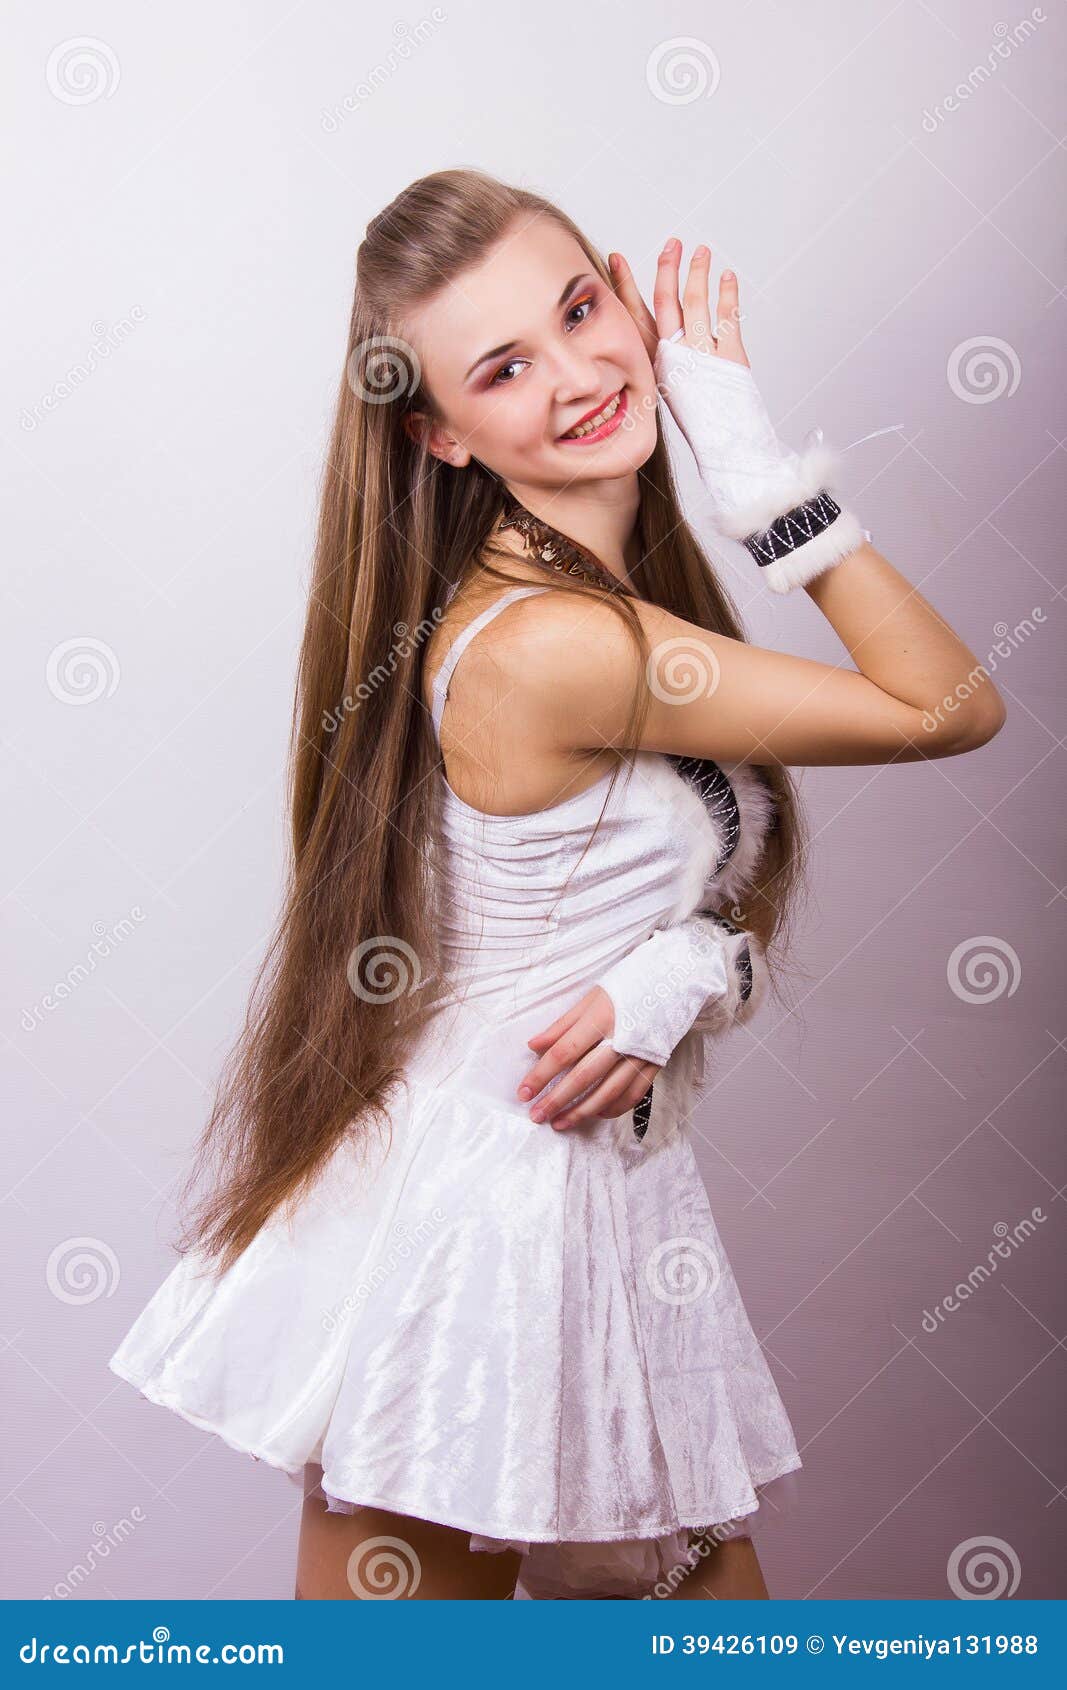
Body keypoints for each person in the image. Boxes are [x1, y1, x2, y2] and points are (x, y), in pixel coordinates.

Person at [108, 169, 1006, 1602]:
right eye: (505, 367)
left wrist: (690, 969)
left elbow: (698, 887)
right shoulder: (554, 650)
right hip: (481, 1224)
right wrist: (766, 478)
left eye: (583, 309)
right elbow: (949, 704)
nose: (583, 374)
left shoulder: (602, 607)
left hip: (600, 1213)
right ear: (443, 435)